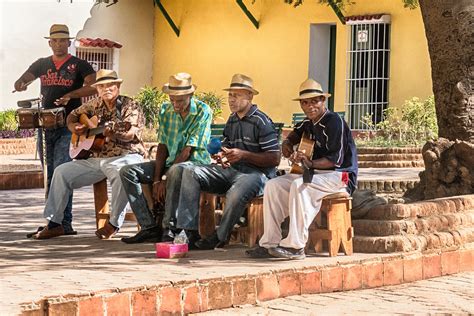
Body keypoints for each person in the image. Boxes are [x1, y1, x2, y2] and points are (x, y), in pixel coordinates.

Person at [246, 79, 358, 260]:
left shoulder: (335, 121)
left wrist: (310, 162)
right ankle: (270, 243)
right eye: (305, 102)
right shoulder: (307, 123)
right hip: (314, 174)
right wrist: (287, 146)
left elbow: (335, 160)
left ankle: (295, 246)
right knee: (273, 185)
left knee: (300, 185)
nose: (310, 106)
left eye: (315, 101)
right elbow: (290, 138)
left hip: (340, 176)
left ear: (323, 100)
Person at [31, 69, 146, 239]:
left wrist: (115, 133)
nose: (106, 89)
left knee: (122, 172)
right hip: (97, 158)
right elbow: (71, 116)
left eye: (110, 85)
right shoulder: (94, 104)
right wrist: (74, 128)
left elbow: (130, 133)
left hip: (125, 155)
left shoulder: (130, 105)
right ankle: (55, 224)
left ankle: (113, 224)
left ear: (118, 85)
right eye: (101, 86)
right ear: (97, 89)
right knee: (62, 172)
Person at [171, 74, 280, 250]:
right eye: (230, 95)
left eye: (236, 95)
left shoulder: (261, 121)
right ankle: (189, 231)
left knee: (237, 191)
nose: (231, 99)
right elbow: (227, 145)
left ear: (250, 96)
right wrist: (222, 155)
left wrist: (243, 155)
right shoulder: (233, 119)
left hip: (257, 175)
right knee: (190, 171)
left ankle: (220, 237)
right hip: (233, 170)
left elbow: (275, 159)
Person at [14, 24, 96, 235]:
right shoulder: (42, 64)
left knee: (61, 172)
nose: (58, 44)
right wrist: (21, 83)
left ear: (69, 43)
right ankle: (59, 222)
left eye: (62, 41)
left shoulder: (79, 64)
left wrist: (72, 94)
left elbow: (94, 85)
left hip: (69, 125)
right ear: (49, 43)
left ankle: (58, 223)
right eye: (55, 41)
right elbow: (24, 78)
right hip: (45, 126)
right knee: (50, 174)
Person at [120, 73, 212, 244]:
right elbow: (162, 145)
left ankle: (169, 228)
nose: (175, 105)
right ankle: (149, 227)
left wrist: (164, 178)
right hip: (171, 163)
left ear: (190, 95)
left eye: (180, 100)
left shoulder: (203, 111)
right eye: (172, 100)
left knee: (176, 170)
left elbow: (187, 150)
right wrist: (156, 180)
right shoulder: (165, 110)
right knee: (127, 171)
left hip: (194, 164)